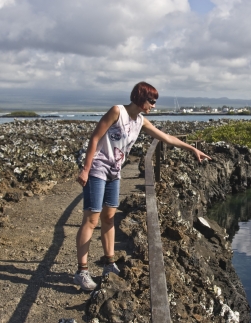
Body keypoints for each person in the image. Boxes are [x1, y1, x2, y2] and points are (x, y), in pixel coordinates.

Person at [74, 81, 211, 291]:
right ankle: (82, 271)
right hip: (98, 168)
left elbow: (166, 138)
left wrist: (192, 149)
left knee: (109, 216)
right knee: (92, 219)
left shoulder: (141, 121)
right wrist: (85, 168)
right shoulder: (116, 111)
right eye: (151, 101)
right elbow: (95, 138)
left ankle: (109, 264)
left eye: (155, 102)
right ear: (140, 97)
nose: (153, 106)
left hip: (115, 171)